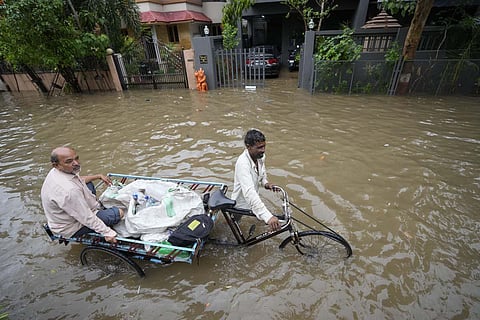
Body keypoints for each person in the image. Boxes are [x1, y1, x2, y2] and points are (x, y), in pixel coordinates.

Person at [41, 146, 123, 243]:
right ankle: (101, 221)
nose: (76, 163)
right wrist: (107, 232)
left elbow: (80, 180)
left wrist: (98, 176)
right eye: (69, 161)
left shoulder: (59, 171)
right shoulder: (68, 191)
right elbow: (85, 217)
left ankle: (98, 210)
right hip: (72, 225)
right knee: (120, 212)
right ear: (56, 165)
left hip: (73, 209)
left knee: (88, 183)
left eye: (76, 158)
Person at [231, 129, 281, 231]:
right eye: (259, 147)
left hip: (253, 200)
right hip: (241, 203)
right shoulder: (243, 164)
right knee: (233, 226)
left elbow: (261, 175)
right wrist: (268, 217)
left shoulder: (260, 157)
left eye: (264, 146)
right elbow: (249, 193)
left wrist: (266, 183)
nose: (263, 150)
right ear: (248, 147)